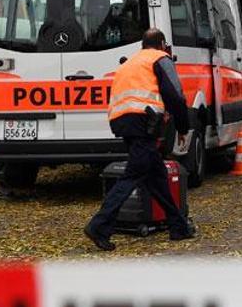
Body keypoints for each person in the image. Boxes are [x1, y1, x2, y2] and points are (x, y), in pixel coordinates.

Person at [84, 28, 195, 251]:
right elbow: (175, 95)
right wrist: (183, 128)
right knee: (133, 175)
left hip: (122, 121)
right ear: (162, 44)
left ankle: (178, 226)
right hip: (144, 122)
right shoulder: (160, 59)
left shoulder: (131, 62)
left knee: (156, 177)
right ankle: (99, 225)